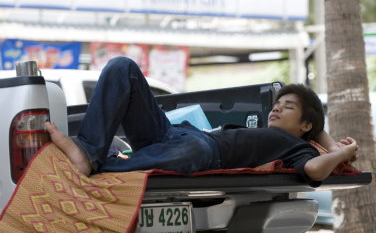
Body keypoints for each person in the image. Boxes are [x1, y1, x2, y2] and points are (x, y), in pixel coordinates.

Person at [45, 57, 358, 187]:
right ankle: (87, 152)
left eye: (287, 107)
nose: (275, 110)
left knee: (190, 152)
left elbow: (316, 167)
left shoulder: (296, 148)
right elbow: (315, 126)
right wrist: (329, 141)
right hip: (174, 132)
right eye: (276, 105)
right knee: (122, 67)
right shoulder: (284, 133)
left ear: (305, 127)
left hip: (204, 151)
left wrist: (341, 152)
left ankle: (95, 168)